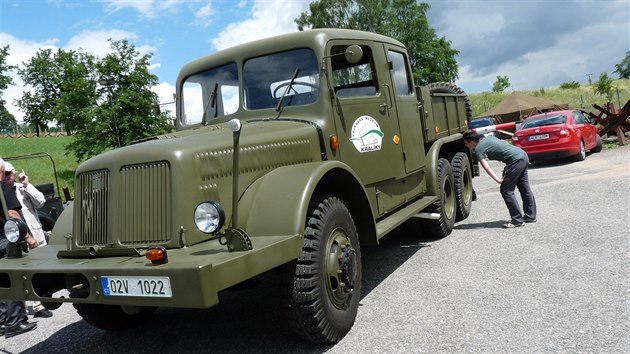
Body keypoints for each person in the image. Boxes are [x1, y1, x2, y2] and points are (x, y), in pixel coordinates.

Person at [3, 162, 53, 318]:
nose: (9, 177)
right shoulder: (3, 193)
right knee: (23, 271)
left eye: (10, 174)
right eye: (6, 174)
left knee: (39, 269)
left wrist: (27, 185)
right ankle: (26, 308)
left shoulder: (21, 188)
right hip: (17, 237)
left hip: (34, 234)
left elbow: (41, 202)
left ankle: (39, 303)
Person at [462, 130, 537, 228]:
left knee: (506, 190)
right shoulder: (488, 138)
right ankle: (530, 216)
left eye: (466, 143)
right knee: (524, 188)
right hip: (522, 155)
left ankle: (517, 219)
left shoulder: (478, 150)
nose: (467, 146)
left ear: (471, 142)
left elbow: (487, 167)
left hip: (515, 161)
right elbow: (503, 145)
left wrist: (497, 179)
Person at [0, 158, 38, 338]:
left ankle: (2, 321)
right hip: (6, 240)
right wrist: (28, 237)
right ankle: (15, 322)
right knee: (11, 281)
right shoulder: (4, 188)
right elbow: (12, 214)